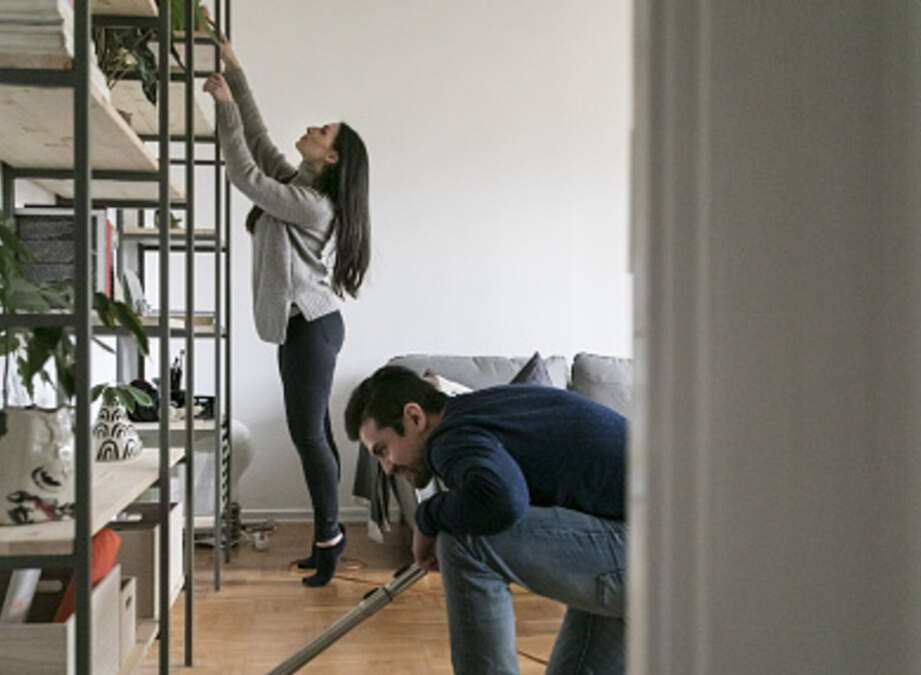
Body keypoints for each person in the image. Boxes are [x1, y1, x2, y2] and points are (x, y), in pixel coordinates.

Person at [204, 30, 371, 587]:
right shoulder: (298, 184)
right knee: (313, 434)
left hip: (312, 329)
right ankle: (328, 536)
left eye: (322, 132)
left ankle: (329, 539)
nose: (311, 129)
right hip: (304, 328)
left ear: (332, 157)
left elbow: (244, 175)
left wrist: (222, 105)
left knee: (309, 437)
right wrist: (234, 70)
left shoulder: (313, 205)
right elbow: (256, 139)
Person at [344, 366, 627, 674]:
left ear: (414, 417)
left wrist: (427, 517)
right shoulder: (481, 412)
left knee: (464, 540)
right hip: (646, 545)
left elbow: (501, 500)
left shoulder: (449, 437)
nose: (387, 468)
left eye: (383, 451)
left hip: (650, 549)